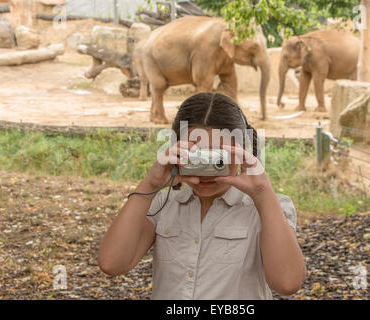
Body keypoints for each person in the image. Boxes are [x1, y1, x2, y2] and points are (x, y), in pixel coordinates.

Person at [98, 92, 306, 299]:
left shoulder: (269, 207)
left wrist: (262, 193)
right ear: (175, 150)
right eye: (196, 157)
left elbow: (287, 283)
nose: (206, 169)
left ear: (242, 150)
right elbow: (112, 264)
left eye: (217, 158)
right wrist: (149, 186)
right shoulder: (163, 205)